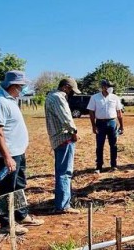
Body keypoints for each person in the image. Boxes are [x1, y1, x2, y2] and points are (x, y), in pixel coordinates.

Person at [0, 70, 44, 235]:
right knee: (7, 189)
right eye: (21, 86)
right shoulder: (0, 101)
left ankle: (21, 215)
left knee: (19, 185)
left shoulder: (11, 99)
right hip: (8, 155)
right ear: (12, 85)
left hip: (18, 152)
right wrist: (7, 157)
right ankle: (6, 223)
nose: (23, 89)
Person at [45, 78, 81, 214]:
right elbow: (66, 118)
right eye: (71, 90)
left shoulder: (50, 96)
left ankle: (63, 202)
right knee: (65, 172)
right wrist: (74, 132)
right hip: (64, 137)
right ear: (66, 87)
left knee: (61, 170)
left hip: (56, 138)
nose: (72, 93)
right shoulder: (58, 98)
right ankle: (63, 206)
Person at [87, 80, 124, 173]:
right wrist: (93, 126)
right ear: (103, 87)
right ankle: (99, 166)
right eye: (108, 86)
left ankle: (114, 165)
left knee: (113, 145)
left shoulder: (115, 98)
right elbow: (91, 112)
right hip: (100, 123)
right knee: (99, 145)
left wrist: (121, 126)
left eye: (111, 86)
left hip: (112, 123)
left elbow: (119, 112)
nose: (110, 88)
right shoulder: (95, 97)